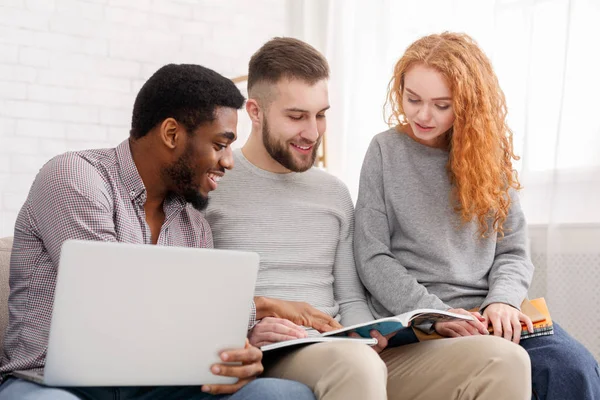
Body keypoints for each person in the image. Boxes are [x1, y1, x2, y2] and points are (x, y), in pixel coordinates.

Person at [206, 36, 533, 400]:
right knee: (356, 365)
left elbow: (349, 294)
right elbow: (195, 299)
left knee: (506, 359)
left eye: (321, 115)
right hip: (275, 351)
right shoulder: (211, 186)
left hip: (346, 347)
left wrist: (367, 331)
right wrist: (244, 329)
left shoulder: (333, 192)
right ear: (255, 111)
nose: (313, 133)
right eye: (297, 116)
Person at [0, 64, 315, 400]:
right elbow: (115, 301)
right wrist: (259, 305)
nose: (228, 161)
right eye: (220, 144)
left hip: (157, 385)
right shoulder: (75, 177)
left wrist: (238, 357)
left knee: (281, 394)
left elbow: (189, 326)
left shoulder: (193, 227)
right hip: (54, 384)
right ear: (171, 134)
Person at [354, 31, 600, 400]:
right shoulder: (384, 151)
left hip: (489, 314)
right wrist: (437, 314)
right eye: (413, 99)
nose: (423, 114)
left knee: (573, 368)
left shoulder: (488, 156)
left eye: (441, 104)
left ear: (467, 103)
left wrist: (502, 300)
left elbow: (514, 250)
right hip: (419, 318)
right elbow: (372, 257)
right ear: (399, 91)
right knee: (500, 362)